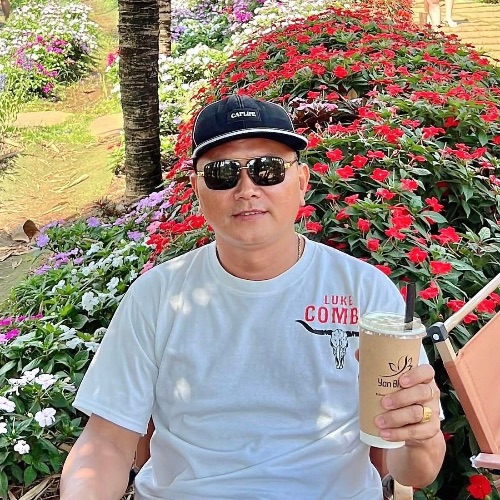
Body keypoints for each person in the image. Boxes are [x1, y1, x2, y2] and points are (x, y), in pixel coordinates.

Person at [61, 95, 445, 499]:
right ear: (197, 189)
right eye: (222, 173)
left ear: (302, 182)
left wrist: (419, 436)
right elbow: (106, 443)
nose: (247, 189)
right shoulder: (157, 297)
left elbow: (416, 471)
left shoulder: (364, 291)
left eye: (268, 169)